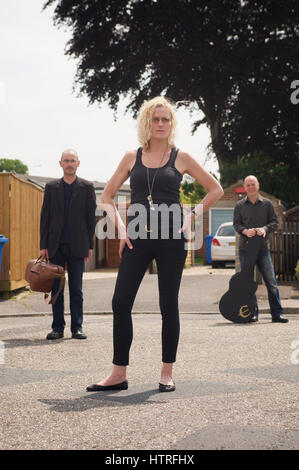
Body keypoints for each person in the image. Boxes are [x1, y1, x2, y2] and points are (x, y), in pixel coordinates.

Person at [87, 96, 224, 393]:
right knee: (120, 302)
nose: (160, 124)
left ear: (171, 124)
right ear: (146, 123)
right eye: (155, 119)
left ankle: (166, 372)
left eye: (165, 119)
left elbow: (216, 189)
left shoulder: (181, 157)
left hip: (171, 240)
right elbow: (107, 197)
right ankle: (118, 373)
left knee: (167, 304)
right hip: (137, 238)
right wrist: (122, 229)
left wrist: (191, 216)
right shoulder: (130, 157)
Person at [40, 149, 97, 340]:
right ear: (60, 163)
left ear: (78, 163)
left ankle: (77, 328)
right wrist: (43, 245)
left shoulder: (87, 187)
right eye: (66, 160)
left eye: (73, 160)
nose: (70, 163)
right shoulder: (51, 187)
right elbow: (45, 218)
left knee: (76, 289)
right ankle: (57, 328)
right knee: (56, 288)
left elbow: (91, 219)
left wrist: (90, 245)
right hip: (55, 246)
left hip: (78, 245)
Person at [233, 175, 288, 323]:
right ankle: (252, 313)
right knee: (249, 283)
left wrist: (264, 229)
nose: (250, 187)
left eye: (253, 184)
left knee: (271, 281)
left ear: (258, 186)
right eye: (248, 185)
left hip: (263, 249)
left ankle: (277, 314)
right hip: (245, 249)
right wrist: (245, 231)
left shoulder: (268, 204)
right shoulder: (239, 206)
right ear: (245, 188)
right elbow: (236, 225)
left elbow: (275, 223)